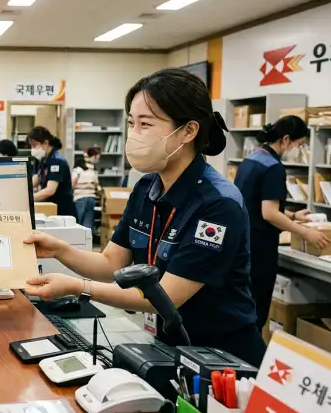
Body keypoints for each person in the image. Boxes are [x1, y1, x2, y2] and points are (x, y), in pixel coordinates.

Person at [24, 68, 266, 367]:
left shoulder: (218, 204)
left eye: (145, 124)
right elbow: (112, 262)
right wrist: (58, 249)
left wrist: (78, 287)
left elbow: (164, 296)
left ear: (189, 131)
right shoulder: (146, 188)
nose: (134, 134)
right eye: (131, 123)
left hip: (223, 356)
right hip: (168, 343)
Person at [235, 116, 329, 331]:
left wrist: (294, 217)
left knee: (243, 305)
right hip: (260, 247)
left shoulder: (252, 159)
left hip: (243, 242)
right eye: (300, 144)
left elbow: (256, 203)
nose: (299, 149)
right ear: (286, 139)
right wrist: (306, 233)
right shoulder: (273, 167)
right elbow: (269, 213)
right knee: (257, 310)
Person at [29, 126, 77, 217]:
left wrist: (29, 199)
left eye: (35, 145)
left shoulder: (57, 160)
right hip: (50, 208)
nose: (33, 149)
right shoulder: (43, 159)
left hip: (62, 211)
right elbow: (36, 179)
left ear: (45, 143)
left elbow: (50, 190)